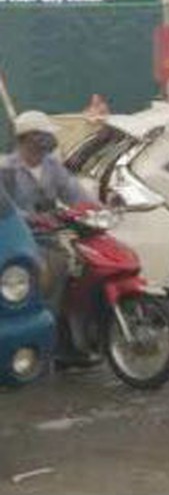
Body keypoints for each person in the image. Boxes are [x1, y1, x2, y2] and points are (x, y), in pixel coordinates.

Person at [1, 110, 97, 367]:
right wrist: (32, 218)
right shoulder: (6, 170)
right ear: (29, 137)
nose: (49, 140)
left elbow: (75, 194)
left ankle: (72, 341)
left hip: (50, 235)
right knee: (54, 268)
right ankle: (49, 341)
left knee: (82, 269)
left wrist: (99, 209)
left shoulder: (52, 167)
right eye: (43, 135)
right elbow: (7, 208)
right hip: (18, 241)